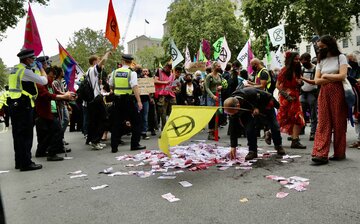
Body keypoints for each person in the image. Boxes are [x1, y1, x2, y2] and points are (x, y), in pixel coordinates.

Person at [7, 49, 48, 171]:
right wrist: (42, 70)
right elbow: (43, 81)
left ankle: (19, 162)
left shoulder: (15, 69)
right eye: (33, 59)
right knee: (26, 135)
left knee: (18, 135)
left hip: (14, 104)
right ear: (27, 59)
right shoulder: (25, 71)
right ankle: (26, 163)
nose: (34, 61)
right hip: (23, 105)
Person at [311, 35, 348, 165]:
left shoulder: (341, 57)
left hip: (338, 92)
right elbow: (316, 80)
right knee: (323, 123)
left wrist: (326, 76)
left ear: (329, 45)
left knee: (339, 123)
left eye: (322, 47)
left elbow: (343, 75)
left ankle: (339, 152)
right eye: (319, 47)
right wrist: (332, 76)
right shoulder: (320, 61)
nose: (320, 49)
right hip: (324, 93)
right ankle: (320, 153)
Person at [224, 88, 285, 160]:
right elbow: (233, 128)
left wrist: (258, 107)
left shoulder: (251, 94)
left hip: (265, 103)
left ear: (237, 105)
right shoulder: (232, 103)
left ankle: (278, 145)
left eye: (232, 113)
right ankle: (252, 151)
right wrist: (233, 146)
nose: (231, 115)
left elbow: (267, 97)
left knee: (274, 126)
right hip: (248, 111)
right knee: (249, 129)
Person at [34, 66, 76, 161]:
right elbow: (48, 95)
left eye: (53, 77)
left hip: (48, 112)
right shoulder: (40, 84)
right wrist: (62, 97)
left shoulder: (50, 85)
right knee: (56, 131)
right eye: (51, 77)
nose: (52, 79)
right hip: (41, 113)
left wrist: (67, 96)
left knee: (49, 134)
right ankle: (52, 153)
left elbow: (57, 92)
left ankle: (41, 152)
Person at [109, 54, 145, 153]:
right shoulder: (131, 73)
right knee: (136, 122)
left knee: (116, 123)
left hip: (117, 100)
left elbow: (111, 85)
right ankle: (134, 144)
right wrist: (139, 101)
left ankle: (114, 147)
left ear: (122, 61)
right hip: (128, 100)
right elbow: (135, 87)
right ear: (131, 62)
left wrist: (115, 91)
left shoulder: (114, 72)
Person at [276, 51, 306, 149]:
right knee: (283, 119)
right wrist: (286, 96)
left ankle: (295, 140)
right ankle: (269, 132)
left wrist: (300, 83)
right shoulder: (284, 71)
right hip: (285, 99)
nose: (297, 61)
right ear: (290, 60)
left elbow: (298, 83)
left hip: (295, 98)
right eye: (295, 59)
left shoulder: (297, 71)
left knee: (298, 118)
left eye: (298, 59)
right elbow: (277, 85)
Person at [86, 51, 111, 150]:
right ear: (94, 62)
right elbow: (103, 61)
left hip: (95, 98)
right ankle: (95, 140)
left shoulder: (90, 71)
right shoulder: (92, 70)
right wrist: (107, 53)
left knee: (96, 120)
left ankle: (95, 140)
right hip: (96, 99)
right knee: (104, 119)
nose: (100, 62)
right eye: (98, 60)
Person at [300, 53, 318, 141]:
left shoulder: (315, 68)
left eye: (304, 62)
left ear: (308, 60)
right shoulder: (302, 68)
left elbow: (315, 81)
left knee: (313, 113)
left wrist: (302, 79)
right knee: (300, 112)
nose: (303, 63)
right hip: (303, 92)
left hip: (312, 92)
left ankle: (313, 132)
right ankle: (301, 129)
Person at [154, 63, 176, 131]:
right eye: (166, 67)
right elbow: (155, 81)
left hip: (171, 95)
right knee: (163, 115)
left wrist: (176, 87)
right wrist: (165, 82)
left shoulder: (172, 73)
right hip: (162, 95)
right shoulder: (159, 71)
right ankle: (163, 131)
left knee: (172, 114)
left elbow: (173, 85)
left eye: (169, 68)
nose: (166, 68)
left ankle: (170, 130)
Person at [204, 62, 223, 140]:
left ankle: (215, 131)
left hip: (219, 96)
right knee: (212, 115)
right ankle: (211, 132)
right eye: (218, 66)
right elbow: (207, 87)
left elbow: (222, 84)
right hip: (211, 97)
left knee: (219, 113)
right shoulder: (209, 76)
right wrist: (212, 96)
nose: (220, 67)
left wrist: (221, 87)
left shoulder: (220, 76)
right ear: (214, 67)